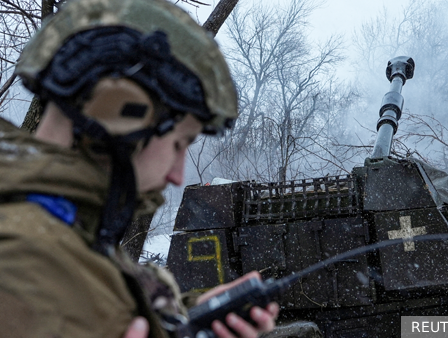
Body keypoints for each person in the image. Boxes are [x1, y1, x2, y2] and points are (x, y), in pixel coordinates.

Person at [0, 0, 278, 337]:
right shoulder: (29, 264)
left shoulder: (64, 234)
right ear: (120, 110)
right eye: (178, 144)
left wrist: (184, 320)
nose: (177, 174)